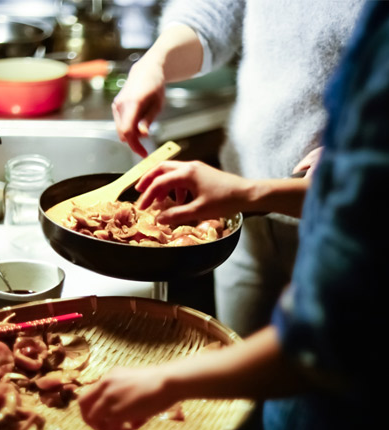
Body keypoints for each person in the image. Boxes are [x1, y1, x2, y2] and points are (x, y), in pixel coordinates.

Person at [80, 1, 389, 430]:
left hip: (382, 395)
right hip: (249, 213)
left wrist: (168, 380)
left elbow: (332, 334)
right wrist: (155, 62)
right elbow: (213, 12)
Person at [112, 0, 364, 336]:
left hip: (348, 229)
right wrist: (154, 63)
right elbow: (211, 13)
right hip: (243, 222)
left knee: (330, 378)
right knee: (239, 371)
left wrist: (364, 146)